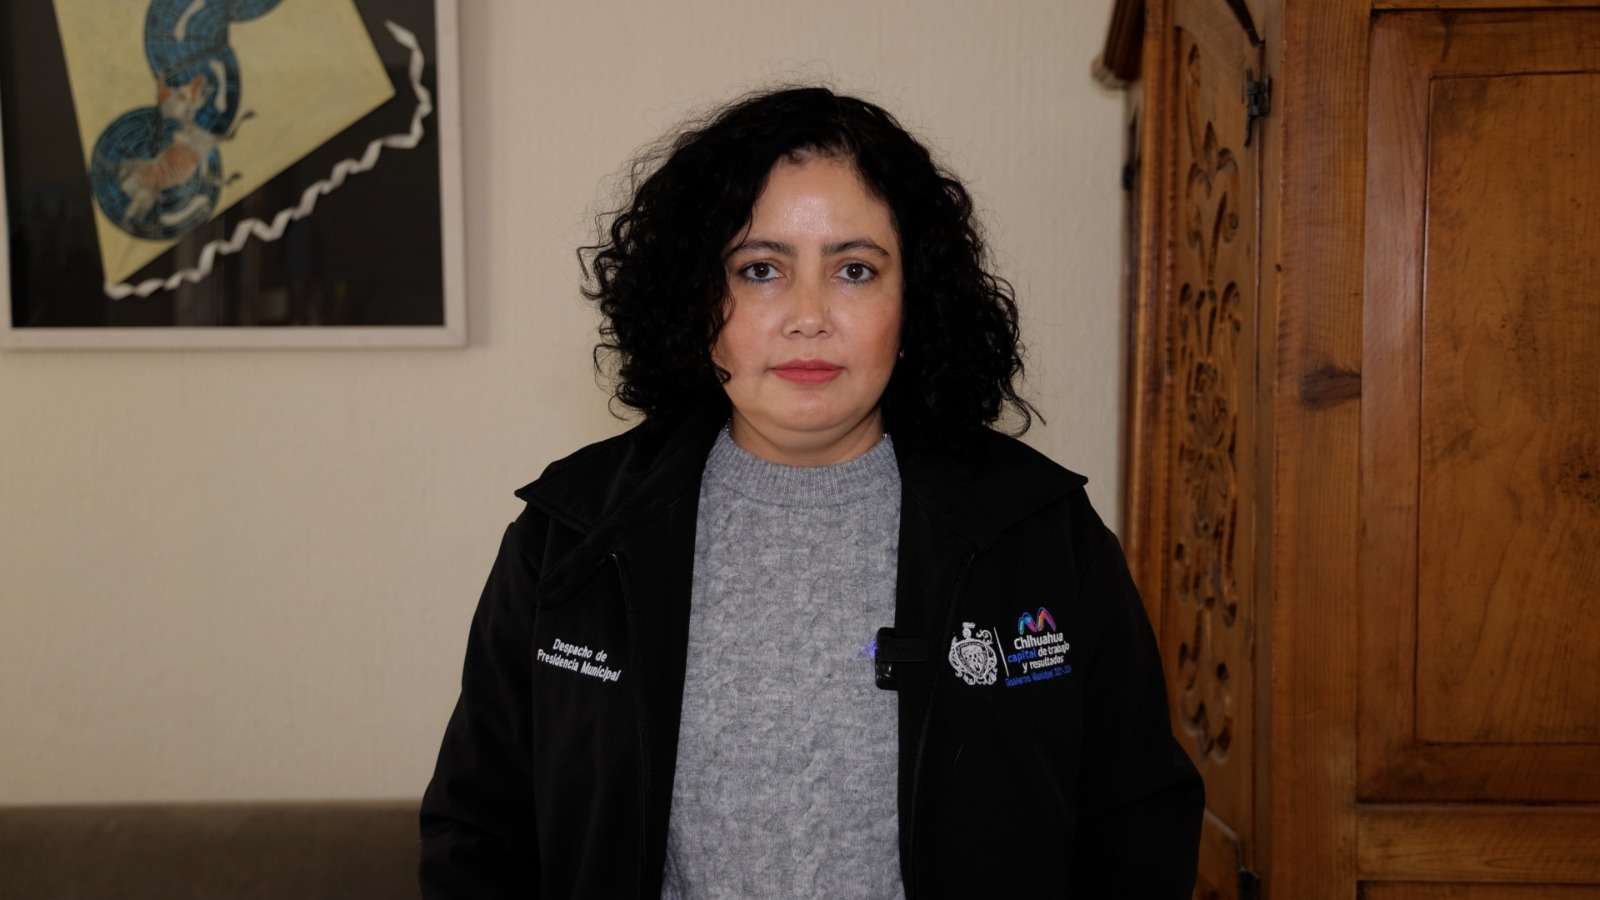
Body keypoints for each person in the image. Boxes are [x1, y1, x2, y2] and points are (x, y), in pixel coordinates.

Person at [419, 85, 1203, 899]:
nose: (808, 316)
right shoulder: (573, 533)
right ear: (697, 300)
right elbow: (477, 832)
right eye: (760, 270)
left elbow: (1139, 821)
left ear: (914, 301)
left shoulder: (1038, 530)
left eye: (854, 270)